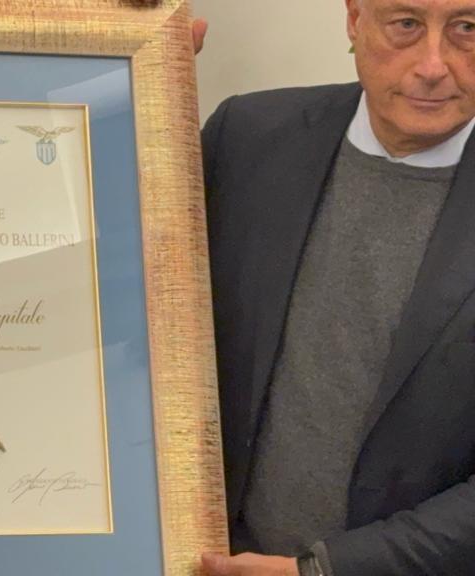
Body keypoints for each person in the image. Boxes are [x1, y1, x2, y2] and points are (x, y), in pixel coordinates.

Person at [200, 0, 475, 574]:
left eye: (467, 28)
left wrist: (325, 570)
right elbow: (128, 292)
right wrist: (129, 78)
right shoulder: (246, 137)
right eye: (405, 24)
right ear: (355, 19)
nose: (433, 65)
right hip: (209, 556)